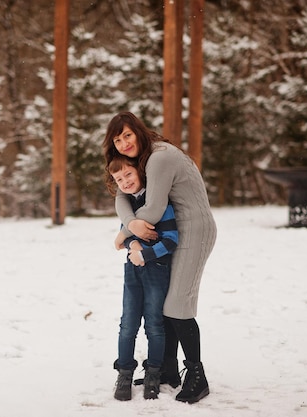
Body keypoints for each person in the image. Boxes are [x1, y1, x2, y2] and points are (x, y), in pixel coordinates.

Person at [102, 111, 217, 404]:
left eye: (127, 135)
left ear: (138, 131)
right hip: (172, 230)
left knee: (178, 305)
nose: (124, 143)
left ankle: (197, 375)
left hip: (193, 230)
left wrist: (123, 233)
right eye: (117, 140)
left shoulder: (160, 157)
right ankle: (167, 370)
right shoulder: (142, 159)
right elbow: (121, 195)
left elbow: (152, 211)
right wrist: (130, 225)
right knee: (166, 303)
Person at [106, 154, 179, 401]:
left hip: (157, 270)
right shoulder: (128, 205)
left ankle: (153, 374)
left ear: (139, 173)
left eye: (128, 174)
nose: (125, 181)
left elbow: (171, 240)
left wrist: (146, 254)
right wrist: (133, 241)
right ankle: (125, 372)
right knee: (127, 324)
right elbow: (124, 235)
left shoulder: (159, 202)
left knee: (155, 325)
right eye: (119, 179)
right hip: (133, 271)